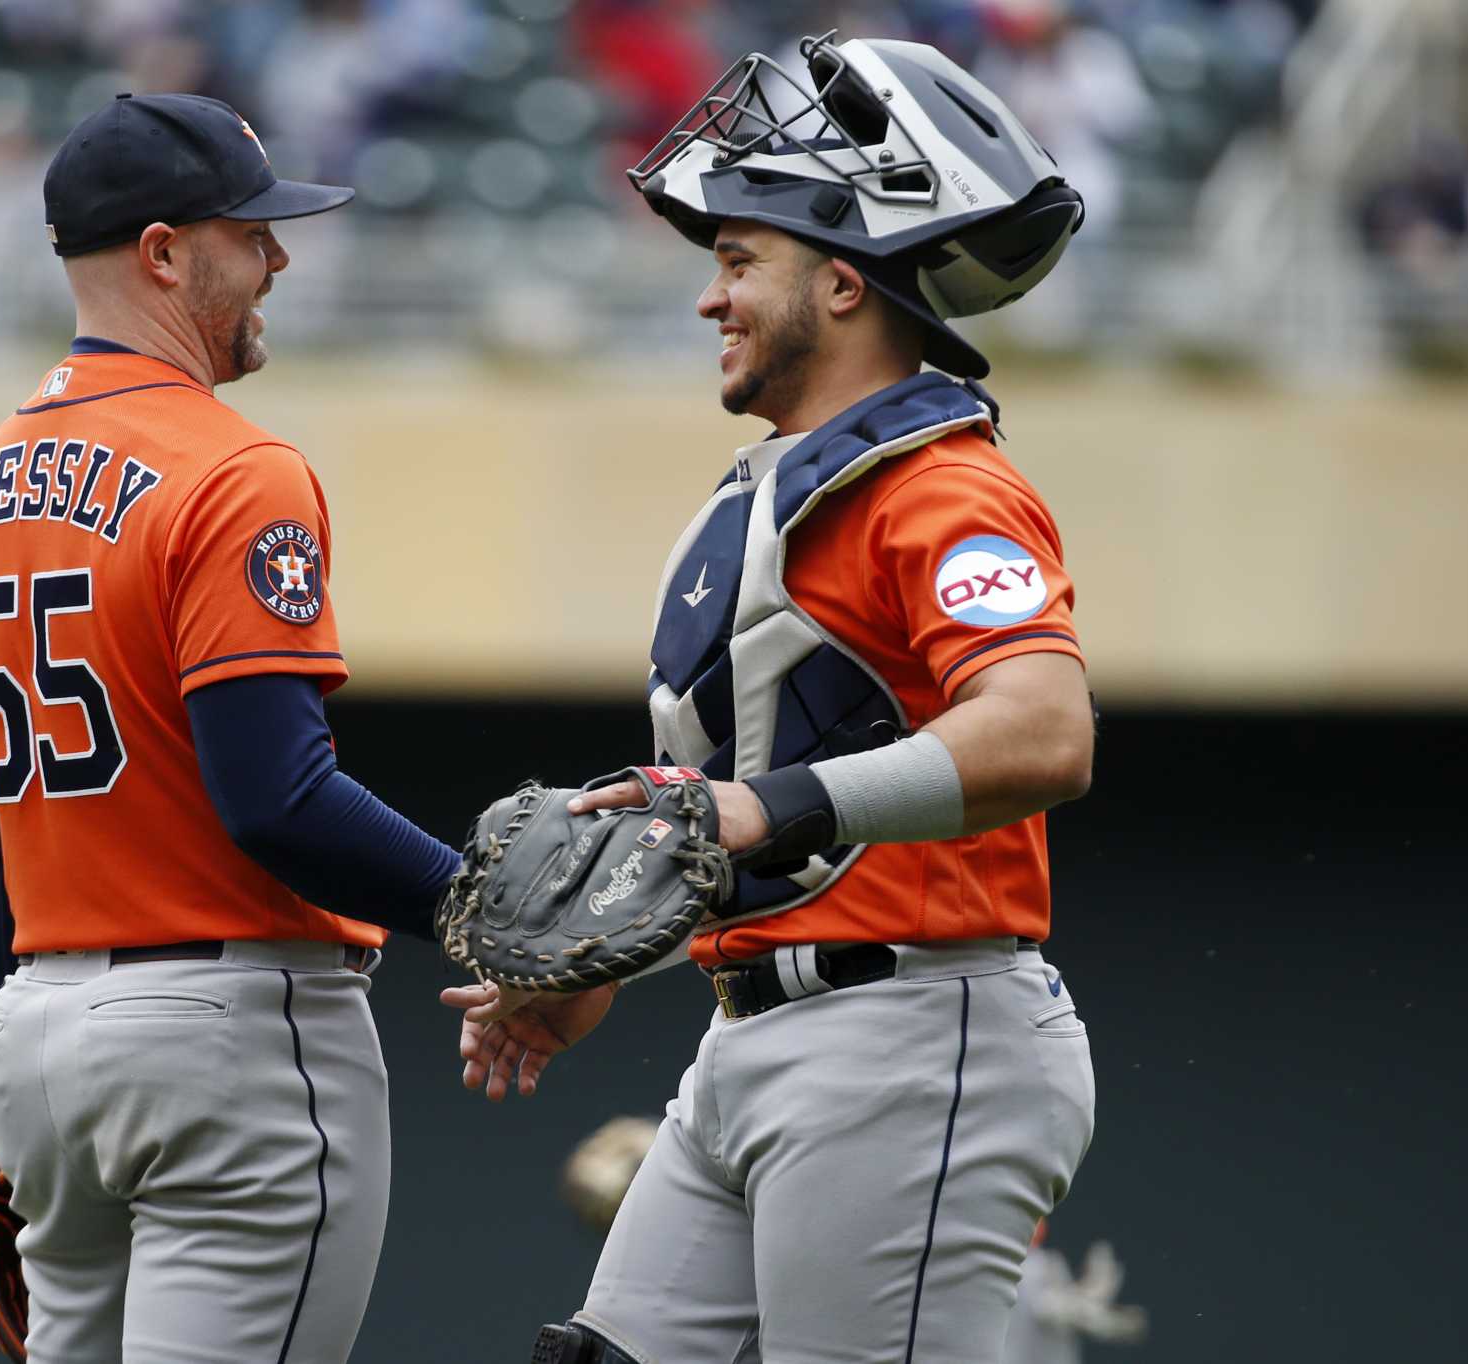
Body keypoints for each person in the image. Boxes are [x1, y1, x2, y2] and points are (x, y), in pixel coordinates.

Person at [443, 35, 1100, 1363]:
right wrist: (607, 960)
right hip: (759, 1034)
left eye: (740, 263)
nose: (711, 299)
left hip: (918, 1035)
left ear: (845, 285)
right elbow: (751, 827)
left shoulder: (944, 486)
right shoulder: (777, 489)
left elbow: (1042, 730)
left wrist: (758, 807)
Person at [0, 92, 461, 1363]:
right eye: (250, 232)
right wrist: (485, 907)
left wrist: (29, 1043)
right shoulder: (234, 468)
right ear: (164, 252)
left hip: (39, 1039)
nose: (277, 257)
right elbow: (277, 798)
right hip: (229, 1039)